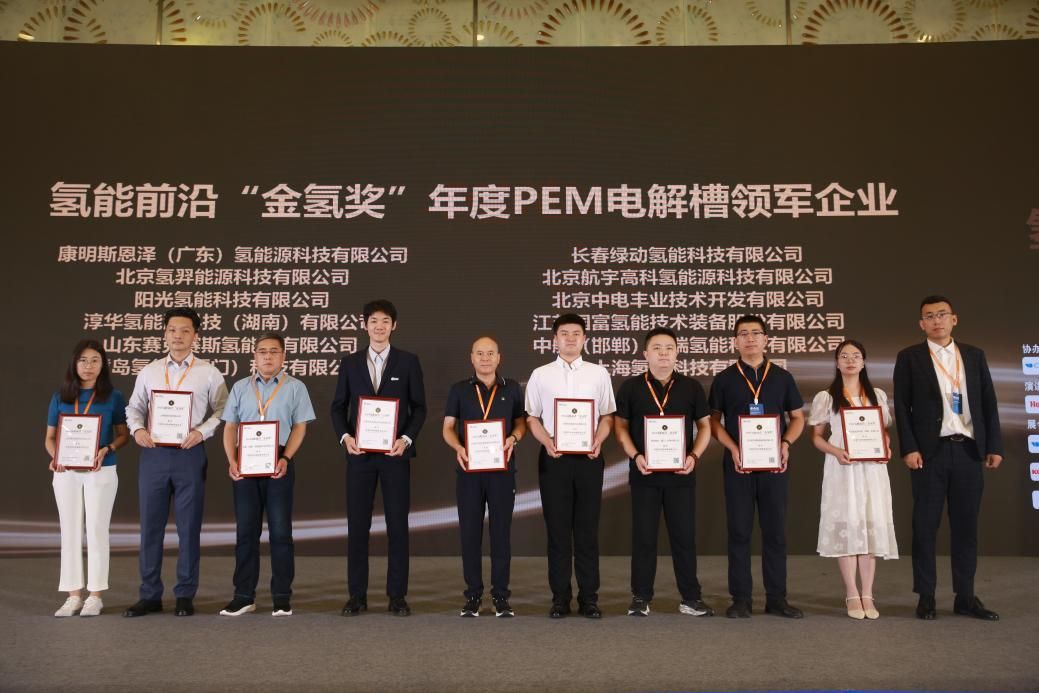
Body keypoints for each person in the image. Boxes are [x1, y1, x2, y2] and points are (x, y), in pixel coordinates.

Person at [893, 295, 1002, 621]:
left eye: (942, 314)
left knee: (966, 527)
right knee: (925, 527)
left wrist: (994, 445)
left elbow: (988, 402)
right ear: (921, 324)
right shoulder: (909, 357)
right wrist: (909, 448)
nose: (936, 320)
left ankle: (965, 597)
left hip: (968, 450)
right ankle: (926, 596)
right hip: (930, 454)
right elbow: (902, 407)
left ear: (954, 319)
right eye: (929, 316)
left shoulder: (974, 355)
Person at [124, 307, 228, 617]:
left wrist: (201, 432)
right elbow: (134, 408)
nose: (178, 336)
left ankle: (185, 594)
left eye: (185, 330)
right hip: (154, 454)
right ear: (164, 334)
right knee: (150, 528)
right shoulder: (150, 371)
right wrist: (138, 429)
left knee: (189, 527)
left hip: (189, 453)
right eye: (172, 330)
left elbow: (223, 410)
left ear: (196, 335)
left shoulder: (208, 372)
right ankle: (149, 594)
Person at [331, 299, 427, 617]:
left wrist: (406, 439)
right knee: (358, 526)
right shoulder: (350, 363)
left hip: (394, 456)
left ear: (394, 326)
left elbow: (419, 408)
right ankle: (356, 596)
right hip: (359, 457)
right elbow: (337, 407)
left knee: (397, 526)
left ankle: (397, 596)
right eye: (373, 321)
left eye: (385, 321)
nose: (379, 326)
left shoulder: (408, 362)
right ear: (365, 325)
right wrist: (346, 438)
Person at [708, 314, 806, 619]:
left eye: (755, 333)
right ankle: (741, 599)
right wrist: (733, 448)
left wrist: (786, 443)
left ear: (766, 339)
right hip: (738, 464)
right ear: (735, 342)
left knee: (775, 531)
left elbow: (798, 418)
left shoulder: (782, 377)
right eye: (743, 334)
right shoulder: (724, 379)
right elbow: (713, 422)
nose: (749, 338)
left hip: (774, 465)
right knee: (739, 531)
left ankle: (777, 598)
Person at [614, 327, 713, 617]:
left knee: (684, 537)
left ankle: (691, 598)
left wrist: (694, 455)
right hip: (644, 474)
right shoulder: (631, 387)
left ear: (677, 352)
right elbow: (620, 427)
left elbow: (705, 426)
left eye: (669, 348)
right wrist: (635, 456)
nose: (663, 353)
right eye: (657, 348)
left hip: (681, 475)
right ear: (645, 353)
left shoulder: (691, 387)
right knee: (644, 537)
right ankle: (640, 597)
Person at [525, 313, 616, 619]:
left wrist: (599, 439)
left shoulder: (598, 373)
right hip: (555, 459)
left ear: (585, 339)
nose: (570, 338)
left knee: (587, 531)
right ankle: (560, 598)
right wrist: (546, 441)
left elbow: (607, 416)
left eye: (576, 333)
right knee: (558, 531)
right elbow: (531, 417)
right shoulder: (541, 374)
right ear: (555, 339)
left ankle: (589, 598)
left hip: (589, 458)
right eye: (564, 333)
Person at [219, 333, 315, 617]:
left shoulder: (295, 387)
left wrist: (286, 458)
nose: (268, 356)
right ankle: (243, 596)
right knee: (246, 532)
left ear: (283, 356)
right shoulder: (240, 387)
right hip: (245, 463)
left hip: (279, 462)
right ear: (255, 356)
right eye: (262, 351)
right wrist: (232, 460)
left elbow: (300, 426)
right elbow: (229, 426)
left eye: (274, 351)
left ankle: (281, 597)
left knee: (281, 532)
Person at [809, 340, 897, 620]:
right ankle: (851, 593)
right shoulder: (826, 397)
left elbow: (883, 432)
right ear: (837, 362)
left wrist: (886, 448)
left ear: (864, 362)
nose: (850, 360)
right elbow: (816, 438)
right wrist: (836, 452)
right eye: (844, 356)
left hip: (871, 469)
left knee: (869, 526)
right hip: (843, 468)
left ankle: (868, 593)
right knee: (846, 526)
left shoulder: (877, 395)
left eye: (855, 356)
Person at [442, 336, 527, 617]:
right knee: (470, 534)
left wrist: (514, 438)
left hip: (502, 472)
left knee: (501, 534)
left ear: (499, 357)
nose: (485, 358)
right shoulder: (459, 390)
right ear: (472, 357)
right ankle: (473, 596)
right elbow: (448, 427)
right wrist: (458, 447)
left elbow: (521, 422)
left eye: (490, 353)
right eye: (480, 353)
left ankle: (501, 597)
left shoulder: (511, 388)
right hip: (469, 472)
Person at [44, 340, 129, 617]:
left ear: (102, 365)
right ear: (74, 363)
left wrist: (108, 449)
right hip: (66, 472)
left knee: (96, 529)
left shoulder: (113, 397)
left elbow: (123, 434)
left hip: (100, 470)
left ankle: (95, 595)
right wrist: (56, 456)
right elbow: (50, 438)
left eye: (94, 360)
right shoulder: (60, 397)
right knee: (69, 530)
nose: (88, 366)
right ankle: (72, 596)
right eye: (83, 360)